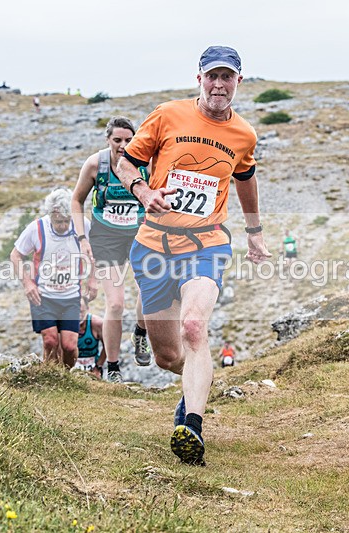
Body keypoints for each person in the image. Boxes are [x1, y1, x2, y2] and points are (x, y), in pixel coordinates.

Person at [116, 45, 271, 466]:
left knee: (194, 326)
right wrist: (143, 191)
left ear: (239, 81)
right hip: (153, 246)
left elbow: (245, 179)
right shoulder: (168, 114)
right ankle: (159, 341)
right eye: (212, 76)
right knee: (170, 356)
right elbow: (125, 163)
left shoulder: (244, 135)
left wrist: (254, 232)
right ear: (198, 78)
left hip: (206, 243)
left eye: (228, 77)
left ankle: (192, 424)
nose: (219, 85)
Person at [71, 117, 153, 384]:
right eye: (117, 140)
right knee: (115, 304)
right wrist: (82, 238)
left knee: (148, 295)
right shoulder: (96, 164)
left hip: (140, 233)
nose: (123, 145)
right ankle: (114, 366)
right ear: (108, 140)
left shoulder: (147, 163)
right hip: (106, 236)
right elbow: (76, 200)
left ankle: (140, 333)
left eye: (129, 140)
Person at [10, 188, 95, 368]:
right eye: (58, 222)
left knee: (69, 346)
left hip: (71, 296)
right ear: (50, 215)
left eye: (66, 221)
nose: (63, 226)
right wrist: (27, 284)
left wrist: (93, 280)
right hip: (43, 296)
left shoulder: (83, 225)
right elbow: (15, 256)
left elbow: (98, 251)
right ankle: (49, 377)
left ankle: (66, 377)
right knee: (50, 341)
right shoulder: (36, 228)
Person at [75, 296, 106, 379]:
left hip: (93, 367)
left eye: (81, 312)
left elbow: (108, 346)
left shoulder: (97, 324)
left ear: (87, 309)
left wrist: (98, 367)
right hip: (70, 366)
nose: (79, 315)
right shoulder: (63, 324)